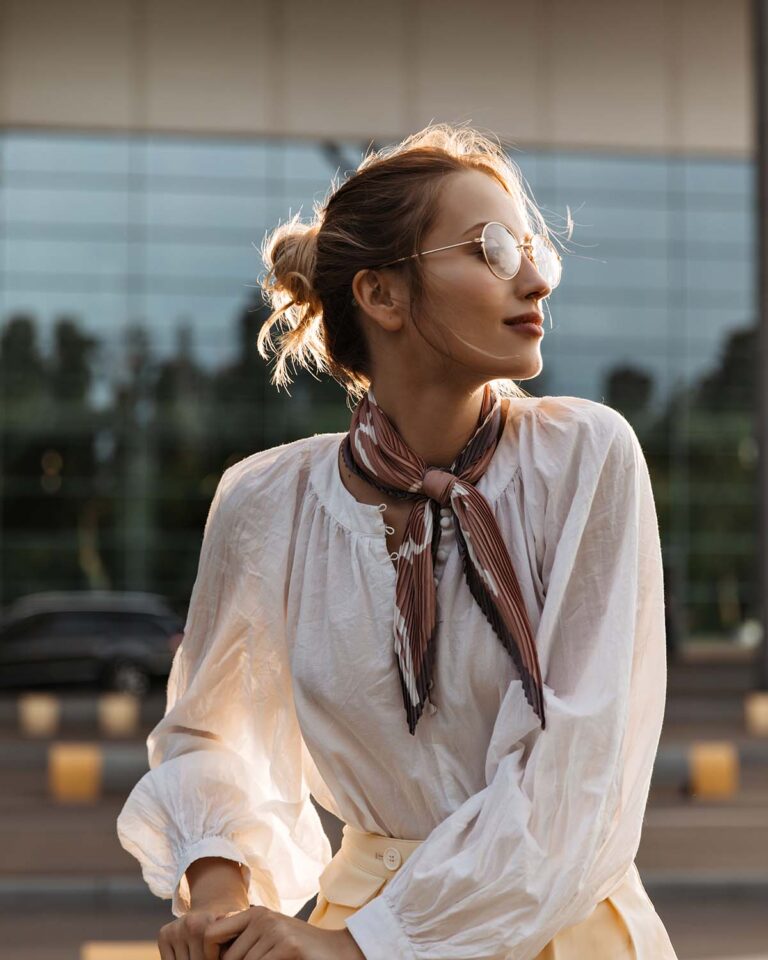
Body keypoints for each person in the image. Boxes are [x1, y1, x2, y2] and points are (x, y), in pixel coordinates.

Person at [116, 122, 678, 960]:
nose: (534, 278)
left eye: (532, 249)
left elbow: (582, 780)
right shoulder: (267, 501)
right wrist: (220, 894)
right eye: (491, 249)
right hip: (356, 927)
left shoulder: (585, 458)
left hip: (553, 930)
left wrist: (365, 945)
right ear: (382, 296)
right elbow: (209, 732)